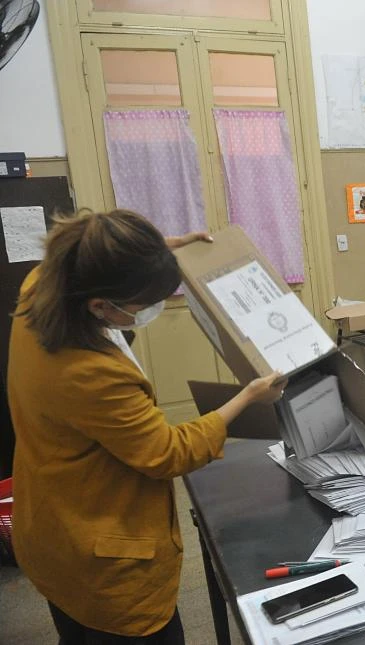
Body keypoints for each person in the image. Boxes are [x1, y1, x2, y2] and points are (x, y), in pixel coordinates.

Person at [8, 209, 286, 643]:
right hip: (101, 554)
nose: (147, 311)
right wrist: (248, 397)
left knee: (76, 629)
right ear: (99, 305)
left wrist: (156, 253)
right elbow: (167, 453)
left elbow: (91, 258)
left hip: (51, 527)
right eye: (139, 304)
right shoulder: (90, 372)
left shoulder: (40, 288)